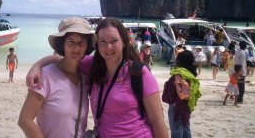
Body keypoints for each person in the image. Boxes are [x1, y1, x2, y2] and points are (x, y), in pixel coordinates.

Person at [26, 17, 169, 138]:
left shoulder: (140, 74)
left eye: (114, 41)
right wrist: (37, 66)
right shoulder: (92, 66)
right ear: (97, 44)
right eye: (102, 41)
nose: (108, 47)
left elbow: (157, 121)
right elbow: (63, 58)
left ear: (124, 43)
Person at [18, 17, 96, 138]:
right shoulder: (46, 76)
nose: (77, 48)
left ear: (87, 46)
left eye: (81, 42)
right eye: (71, 42)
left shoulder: (84, 79)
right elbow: (25, 120)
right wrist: (37, 66)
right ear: (62, 44)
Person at [162, 50, 201, 138]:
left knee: (176, 129)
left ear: (179, 61)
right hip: (188, 105)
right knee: (185, 126)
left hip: (177, 105)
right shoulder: (190, 73)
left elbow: (182, 93)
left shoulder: (179, 73)